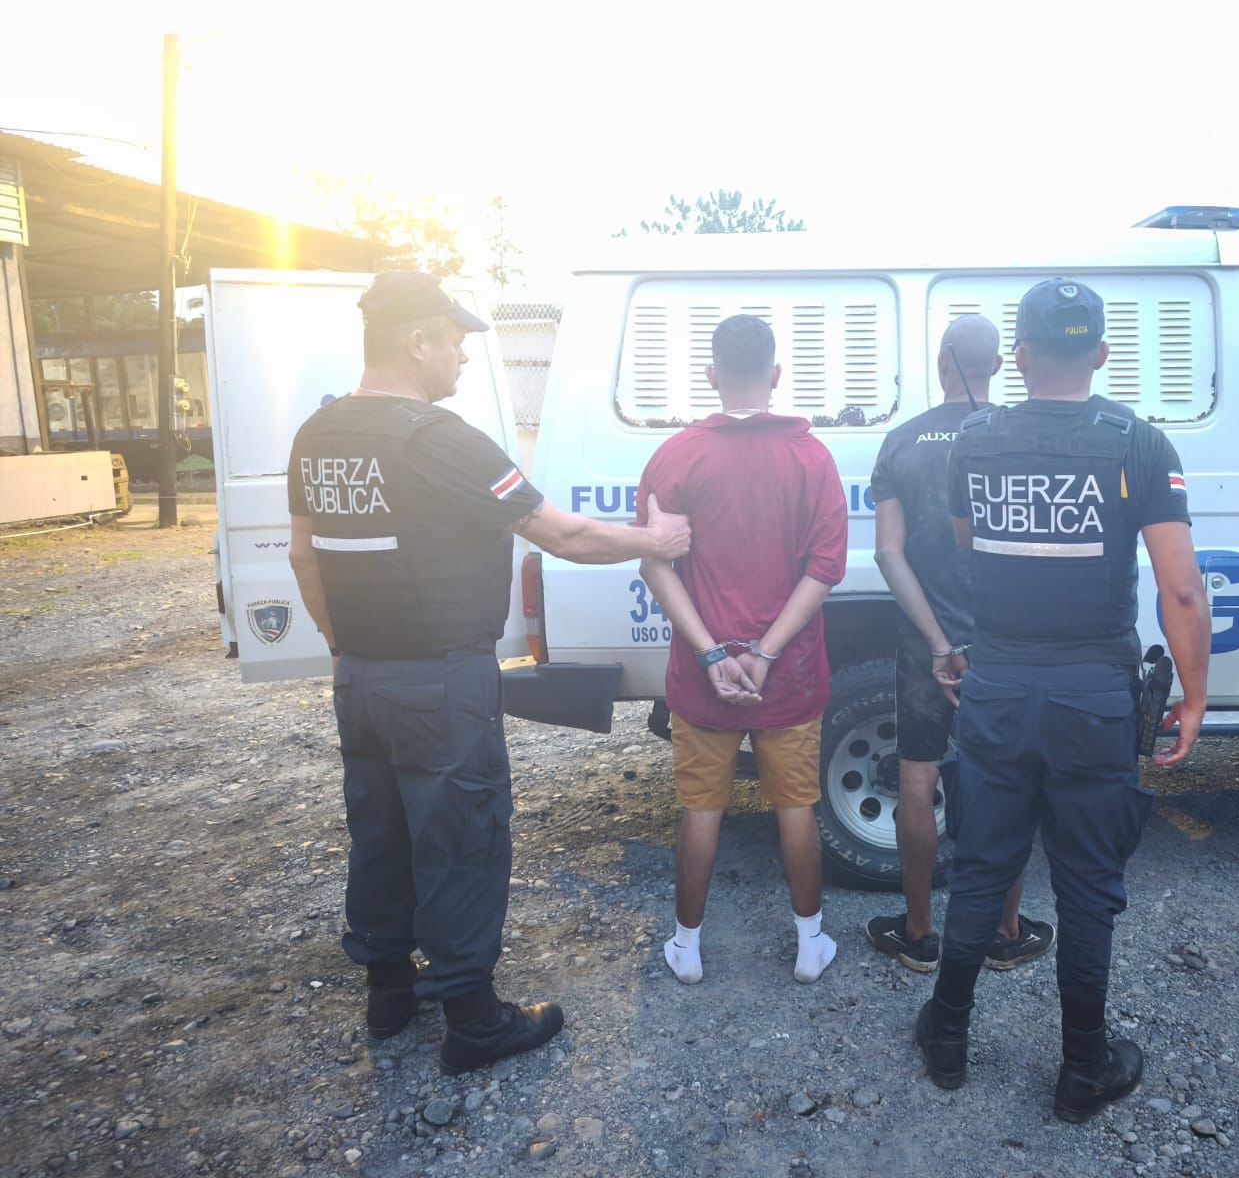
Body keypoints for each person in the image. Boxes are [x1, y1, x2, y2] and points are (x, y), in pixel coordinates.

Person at [287, 271, 691, 1075]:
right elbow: (564, 537)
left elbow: (304, 555)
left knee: (381, 831)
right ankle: (473, 1019)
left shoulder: (318, 435)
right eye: (457, 340)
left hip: (360, 678)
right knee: (461, 839)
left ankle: (388, 992)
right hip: (439, 682)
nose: (465, 357)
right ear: (418, 340)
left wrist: (343, 649)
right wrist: (657, 542)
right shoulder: (440, 441)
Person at [913, 278, 1210, 1123]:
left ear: (1022, 355)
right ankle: (1084, 1067)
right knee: (1086, 886)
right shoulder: (1140, 444)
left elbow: (974, 547)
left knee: (981, 869)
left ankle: (946, 1034)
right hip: (1094, 698)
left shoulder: (973, 440)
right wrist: (1193, 696)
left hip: (999, 687)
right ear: (1104, 354)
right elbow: (1181, 592)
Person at [636, 314, 848, 987]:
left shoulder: (677, 456)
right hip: (787, 675)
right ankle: (810, 945)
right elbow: (825, 568)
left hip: (704, 680)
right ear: (776, 375)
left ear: (712, 375)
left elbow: (655, 565)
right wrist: (764, 652)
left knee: (702, 811)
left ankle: (686, 947)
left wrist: (709, 654)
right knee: (796, 807)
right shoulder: (811, 457)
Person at [865, 314, 1053, 973]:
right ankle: (1004, 932)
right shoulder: (1025, 438)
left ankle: (918, 935)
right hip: (1007, 642)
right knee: (1009, 779)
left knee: (917, 776)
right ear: (999, 366)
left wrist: (941, 643)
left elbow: (889, 555)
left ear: (940, 362)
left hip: (927, 642)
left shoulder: (902, 441)